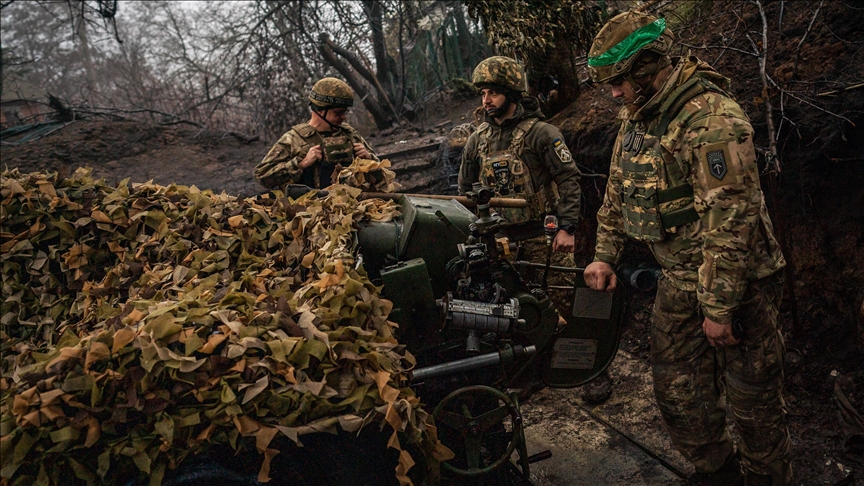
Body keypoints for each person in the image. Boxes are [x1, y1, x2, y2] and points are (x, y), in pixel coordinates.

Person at [583, 11, 790, 486]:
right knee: (679, 395)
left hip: (741, 286)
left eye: (619, 82)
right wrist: (604, 254)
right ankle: (717, 472)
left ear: (647, 66)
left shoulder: (710, 118)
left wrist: (719, 306)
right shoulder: (636, 119)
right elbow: (617, 192)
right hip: (678, 280)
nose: (614, 93)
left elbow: (732, 219)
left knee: (753, 408)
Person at [458, 56, 581, 256]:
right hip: (497, 242)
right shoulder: (476, 140)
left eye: (494, 93)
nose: (486, 100)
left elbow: (568, 179)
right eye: (483, 94)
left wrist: (567, 228)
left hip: (543, 238)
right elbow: (465, 190)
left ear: (511, 94)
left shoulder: (541, 134)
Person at [255, 77, 378, 190]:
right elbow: (262, 176)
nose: (343, 117)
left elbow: (382, 172)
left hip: (352, 209)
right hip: (311, 210)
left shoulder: (350, 134)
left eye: (345, 112)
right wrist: (301, 164)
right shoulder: (294, 139)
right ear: (319, 110)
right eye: (338, 112)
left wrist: (369, 158)